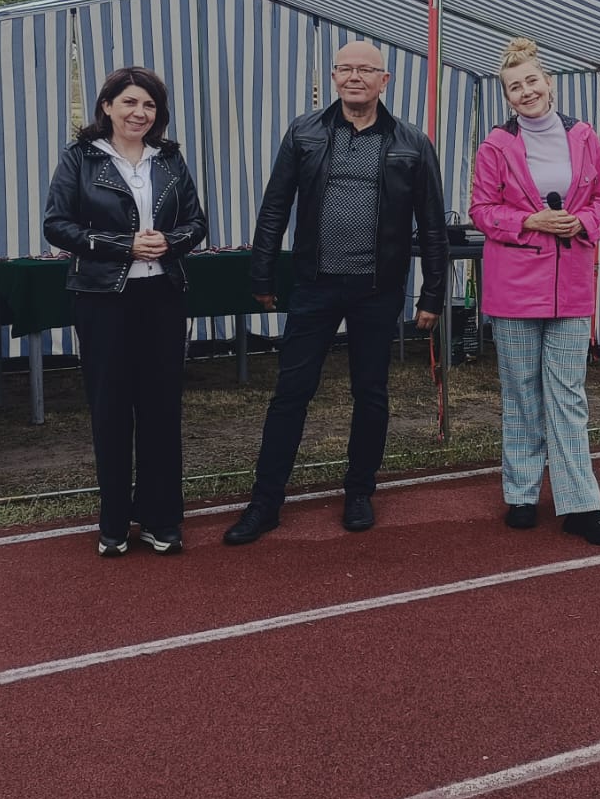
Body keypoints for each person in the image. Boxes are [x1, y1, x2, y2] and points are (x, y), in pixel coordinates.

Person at [223, 41, 448, 544]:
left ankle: (359, 492)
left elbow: (432, 224)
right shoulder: (304, 132)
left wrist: (433, 293)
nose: (354, 77)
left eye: (365, 70)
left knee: (370, 393)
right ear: (333, 76)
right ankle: (265, 502)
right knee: (291, 393)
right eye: (345, 69)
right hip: (314, 286)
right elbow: (274, 208)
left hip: (377, 290)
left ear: (384, 80)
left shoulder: (412, 142)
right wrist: (262, 275)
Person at [42, 66, 207, 557]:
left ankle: (161, 519)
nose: (140, 113)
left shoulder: (170, 158)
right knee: (111, 409)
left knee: (162, 409)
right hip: (103, 300)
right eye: (130, 102)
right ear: (107, 106)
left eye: (149, 105)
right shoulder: (80, 158)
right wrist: (123, 245)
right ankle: (113, 523)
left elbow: (196, 222)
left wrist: (170, 241)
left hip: (163, 297)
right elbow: (57, 225)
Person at [470, 38, 600, 545]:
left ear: (549, 83)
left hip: (571, 286)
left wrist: (581, 222)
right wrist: (529, 220)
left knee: (568, 395)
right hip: (514, 288)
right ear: (507, 97)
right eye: (515, 86)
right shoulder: (495, 145)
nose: (526, 91)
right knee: (521, 393)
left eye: (532, 80)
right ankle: (521, 494)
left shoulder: (584, 135)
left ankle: (581, 503)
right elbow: (481, 210)